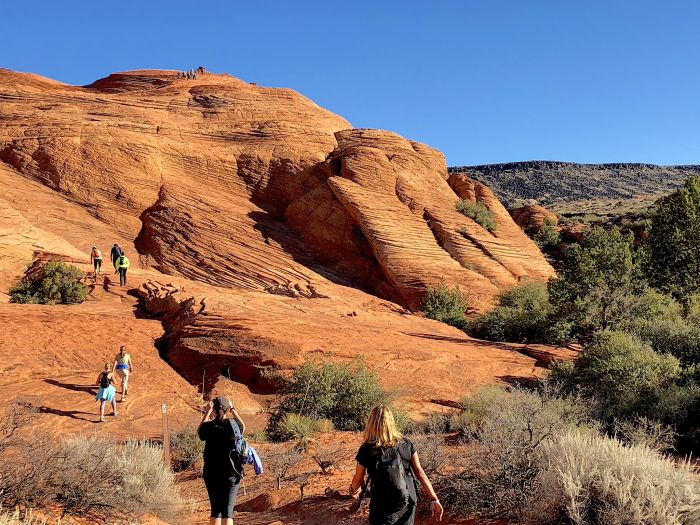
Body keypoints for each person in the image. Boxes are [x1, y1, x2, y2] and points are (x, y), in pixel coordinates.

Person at [350, 405, 444, 525]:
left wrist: (353, 489)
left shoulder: (367, 449)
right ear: (391, 423)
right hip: (408, 500)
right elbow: (419, 472)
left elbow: (358, 477)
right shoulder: (406, 444)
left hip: (381, 505)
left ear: (371, 423)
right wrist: (434, 499)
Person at [198, 396, 246, 525]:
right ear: (226, 409)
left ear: (214, 409)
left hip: (211, 473)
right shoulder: (233, 425)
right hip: (231, 472)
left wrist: (208, 411)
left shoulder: (208, 427)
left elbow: (200, 432)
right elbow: (243, 427)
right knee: (227, 511)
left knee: (216, 510)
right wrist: (233, 409)